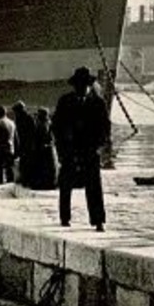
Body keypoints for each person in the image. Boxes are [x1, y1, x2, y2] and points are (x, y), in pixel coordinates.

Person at [54, 66, 109, 230]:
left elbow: (105, 128)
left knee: (94, 186)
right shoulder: (65, 101)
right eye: (79, 85)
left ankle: (98, 220)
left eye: (84, 85)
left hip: (90, 151)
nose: (81, 88)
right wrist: (62, 149)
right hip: (69, 150)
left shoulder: (98, 103)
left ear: (89, 86)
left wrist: (98, 147)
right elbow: (56, 126)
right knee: (65, 186)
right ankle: (65, 218)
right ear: (75, 86)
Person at [0, 102, 17, 186]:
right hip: (10, 148)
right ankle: (10, 184)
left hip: (0, 149)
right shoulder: (12, 123)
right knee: (9, 169)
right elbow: (15, 137)